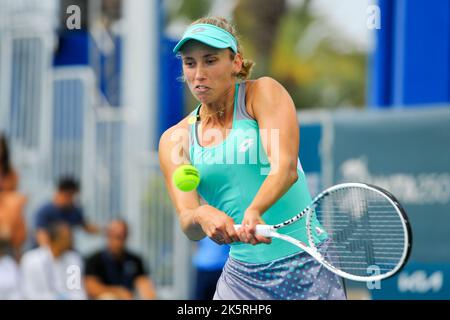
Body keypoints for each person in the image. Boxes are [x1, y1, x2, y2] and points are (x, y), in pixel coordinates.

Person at [159, 16, 346, 300]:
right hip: (241, 280)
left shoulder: (261, 95)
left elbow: (283, 168)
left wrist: (255, 209)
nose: (198, 73)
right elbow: (189, 223)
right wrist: (201, 213)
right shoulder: (175, 140)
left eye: (210, 60)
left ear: (236, 62)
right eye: (190, 62)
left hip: (307, 264)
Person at [84, 219, 156, 300]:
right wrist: (118, 292)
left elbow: (144, 284)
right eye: (114, 235)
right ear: (107, 235)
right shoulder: (95, 260)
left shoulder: (135, 260)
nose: (117, 240)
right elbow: (91, 287)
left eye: (121, 236)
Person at [20, 221, 86, 299]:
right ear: (55, 239)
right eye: (67, 237)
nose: (71, 240)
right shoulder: (31, 260)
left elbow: (77, 292)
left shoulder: (73, 259)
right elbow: (29, 293)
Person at [34, 176, 99, 247]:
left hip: (66, 252)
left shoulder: (75, 210)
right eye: (68, 195)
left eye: (73, 196)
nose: (71, 199)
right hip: (46, 252)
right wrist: (51, 255)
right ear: (59, 192)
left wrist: (104, 231)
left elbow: (86, 226)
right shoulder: (45, 211)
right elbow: (41, 235)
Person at [0, 133, 27, 260]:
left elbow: (13, 192)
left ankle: (15, 252)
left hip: (6, 211)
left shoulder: (10, 172)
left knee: (14, 203)